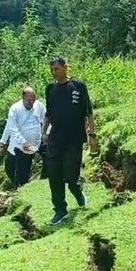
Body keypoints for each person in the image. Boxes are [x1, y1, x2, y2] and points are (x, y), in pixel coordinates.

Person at [43, 57, 94, 225]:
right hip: (55, 139)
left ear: (65, 68)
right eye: (52, 70)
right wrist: (44, 132)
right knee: (54, 175)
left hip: (74, 139)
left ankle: (78, 193)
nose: (54, 72)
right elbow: (48, 114)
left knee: (71, 176)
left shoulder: (78, 86)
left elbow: (89, 113)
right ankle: (60, 210)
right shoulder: (50, 89)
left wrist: (92, 135)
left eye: (56, 69)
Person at [0, 86, 46, 189]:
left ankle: (43, 180)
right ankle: (19, 187)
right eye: (29, 101)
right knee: (11, 168)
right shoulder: (15, 109)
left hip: (37, 141)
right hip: (20, 146)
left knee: (49, 157)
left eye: (33, 100)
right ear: (23, 98)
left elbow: (46, 120)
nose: (31, 103)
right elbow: (12, 129)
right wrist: (3, 142)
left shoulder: (39, 106)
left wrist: (47, 133)